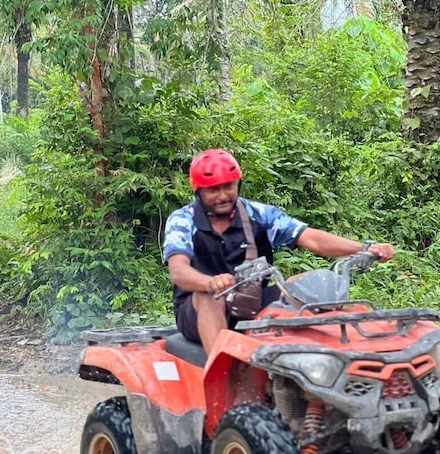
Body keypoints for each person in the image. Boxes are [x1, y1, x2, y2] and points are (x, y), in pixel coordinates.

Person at [163, 149, 396, 355]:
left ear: (238, 185)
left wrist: (364, 248)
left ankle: (332, 358)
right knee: (208, 296)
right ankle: (223, 374)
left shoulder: (259, 214)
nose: (223, 195)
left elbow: (312, 238)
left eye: (228, 186)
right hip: (198, 310)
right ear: (200, 192)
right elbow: (179, 271)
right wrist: (210, 282)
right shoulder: (183, 220)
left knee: (309, 282)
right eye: (214, 189)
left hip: (251, 302)